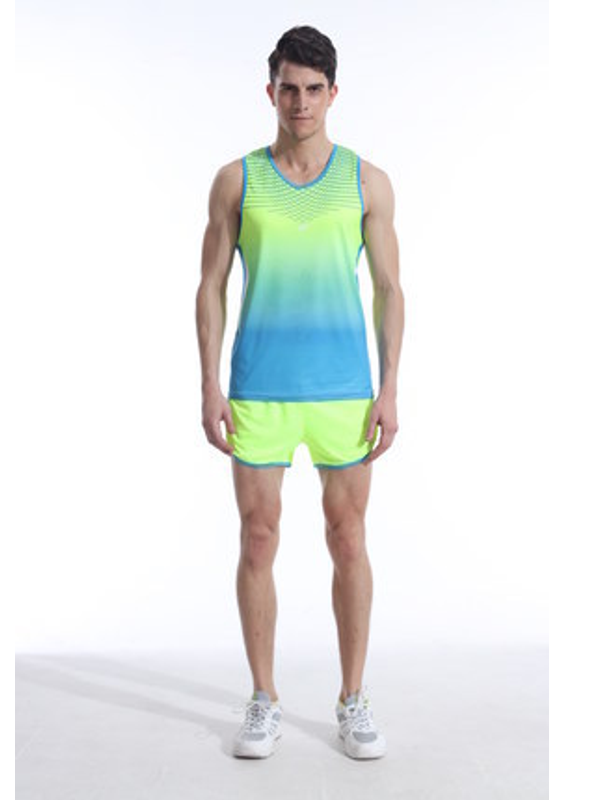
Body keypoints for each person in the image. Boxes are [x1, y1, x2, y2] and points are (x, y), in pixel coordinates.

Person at [195, 25, 405, 760]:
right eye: (289, 88)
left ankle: (353, 698)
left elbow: (389, 288)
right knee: (258, 537)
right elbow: (210, 286)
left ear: (333, 93)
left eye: (314, 89)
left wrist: (390, 387)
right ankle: (264, 699)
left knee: (348, 537)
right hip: (259, 388)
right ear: (271, 91)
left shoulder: (367, 181)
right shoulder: (238, 180)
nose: (301, 102)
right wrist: (209, 383)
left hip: (345, 390)